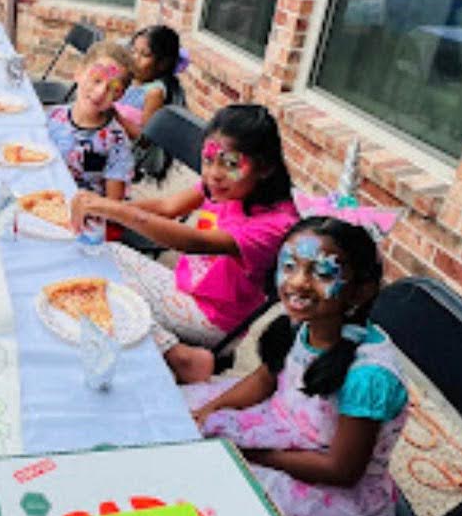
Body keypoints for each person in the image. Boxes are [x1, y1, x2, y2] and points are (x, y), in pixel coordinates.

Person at [184, 216, 408, 516]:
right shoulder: (303, 324)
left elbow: (342, 469)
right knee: (184, 421)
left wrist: (250, 457)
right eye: (289, 266)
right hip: (282, 427)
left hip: (325, 481)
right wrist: (209, 409)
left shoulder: (368, 377)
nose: (298, 283)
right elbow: (264, 380)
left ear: (361, 291)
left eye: (322, 273)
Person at [70, 103, 297, 383]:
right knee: (99, 254)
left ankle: (177, 354)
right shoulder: (221, 185)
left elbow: (195, 241)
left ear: (264, 168)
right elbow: (167, 206)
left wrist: (113, 210)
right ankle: (166, 346)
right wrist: (107, 210)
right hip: (186, 287)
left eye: (230, 164)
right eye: (208, 160)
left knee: (103, 286)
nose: (214, 173)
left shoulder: (275, 224)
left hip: (213, 319)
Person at [45, 44, 134, 198]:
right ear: (78, 73)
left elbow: (113, 206)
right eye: (96, 80)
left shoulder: (117, 143)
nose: (100, 93)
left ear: (119, 96)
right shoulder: (51, 118)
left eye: (113, 89)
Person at [116, 24, 183, 140]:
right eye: (133, 51)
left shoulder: (154, 93)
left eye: (144, 55)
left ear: (163, 63)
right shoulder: (129, 78)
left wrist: (115, 117)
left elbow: (145, 140)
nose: (135, 58)